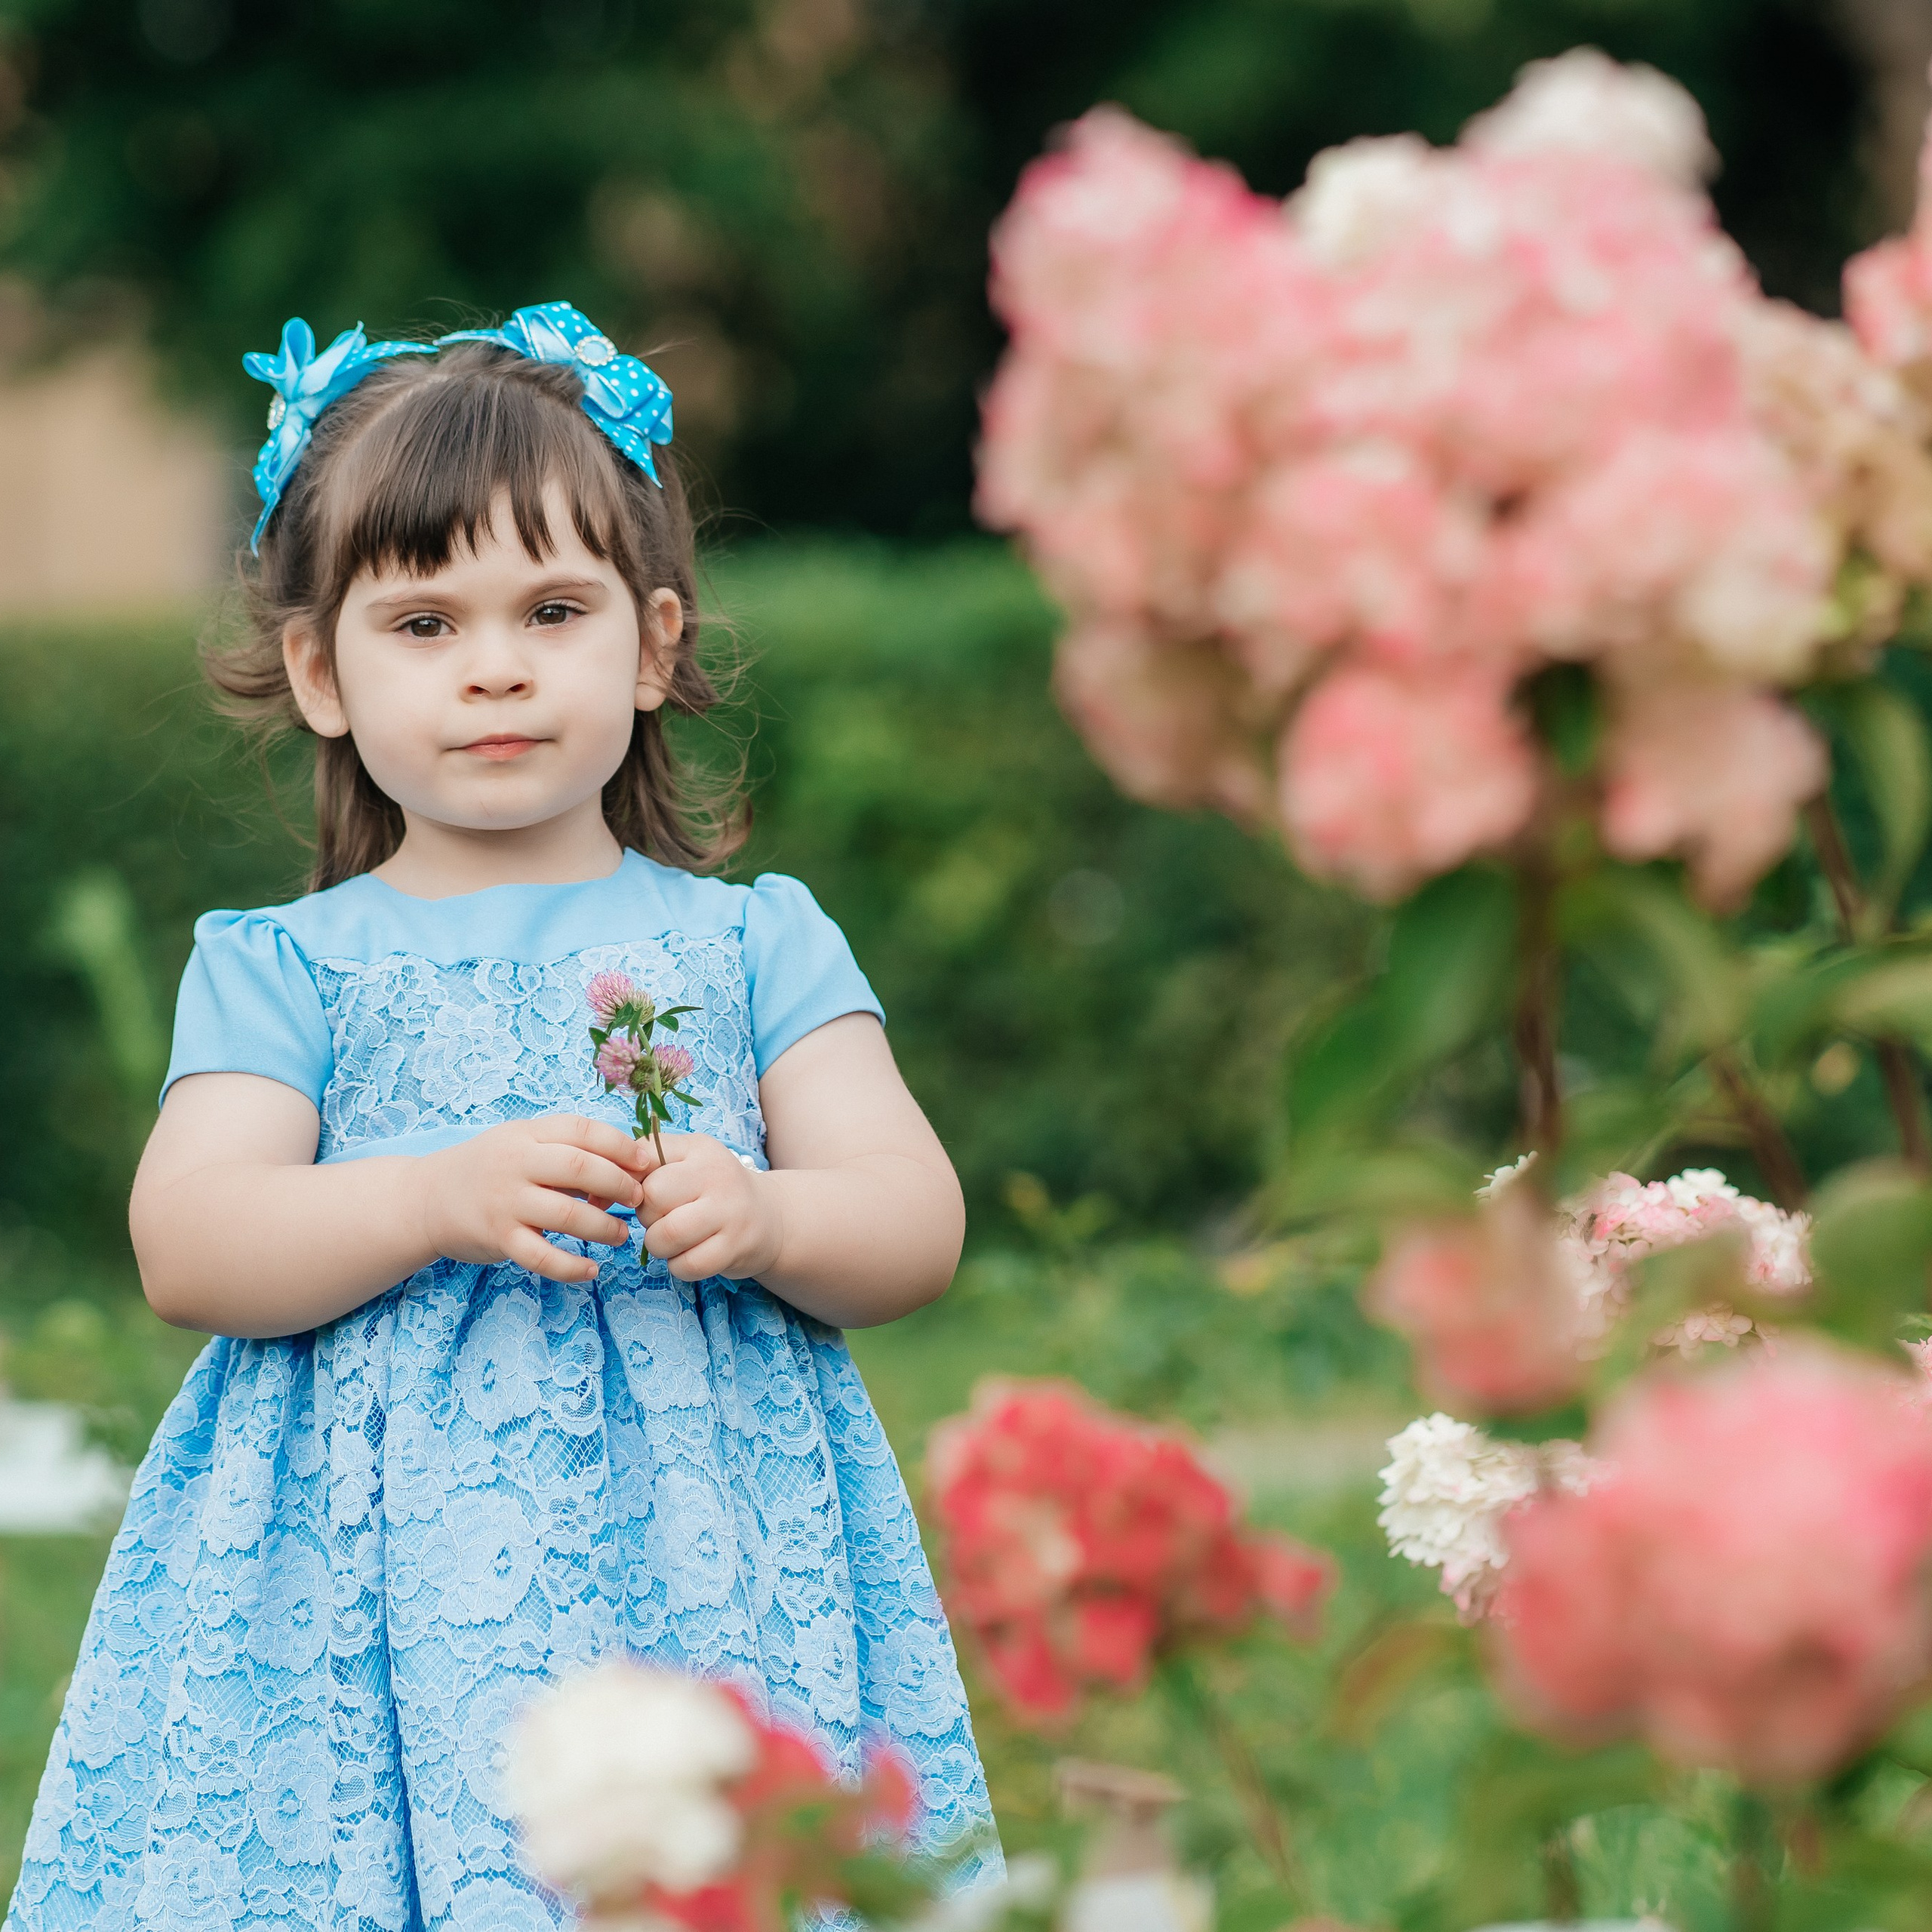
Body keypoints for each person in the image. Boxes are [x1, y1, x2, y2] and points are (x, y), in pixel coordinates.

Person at [6, 303, 998, 1930]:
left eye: (552, 606)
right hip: (366, 1595)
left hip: (700, 1555)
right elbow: (192, 1241)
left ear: (654, 640)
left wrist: (771, 1215)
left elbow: (912, 1215)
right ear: (321, 671)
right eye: (422, 621)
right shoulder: (286, 967)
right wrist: (429, 1196)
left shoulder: (751, 944)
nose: (494, 664)